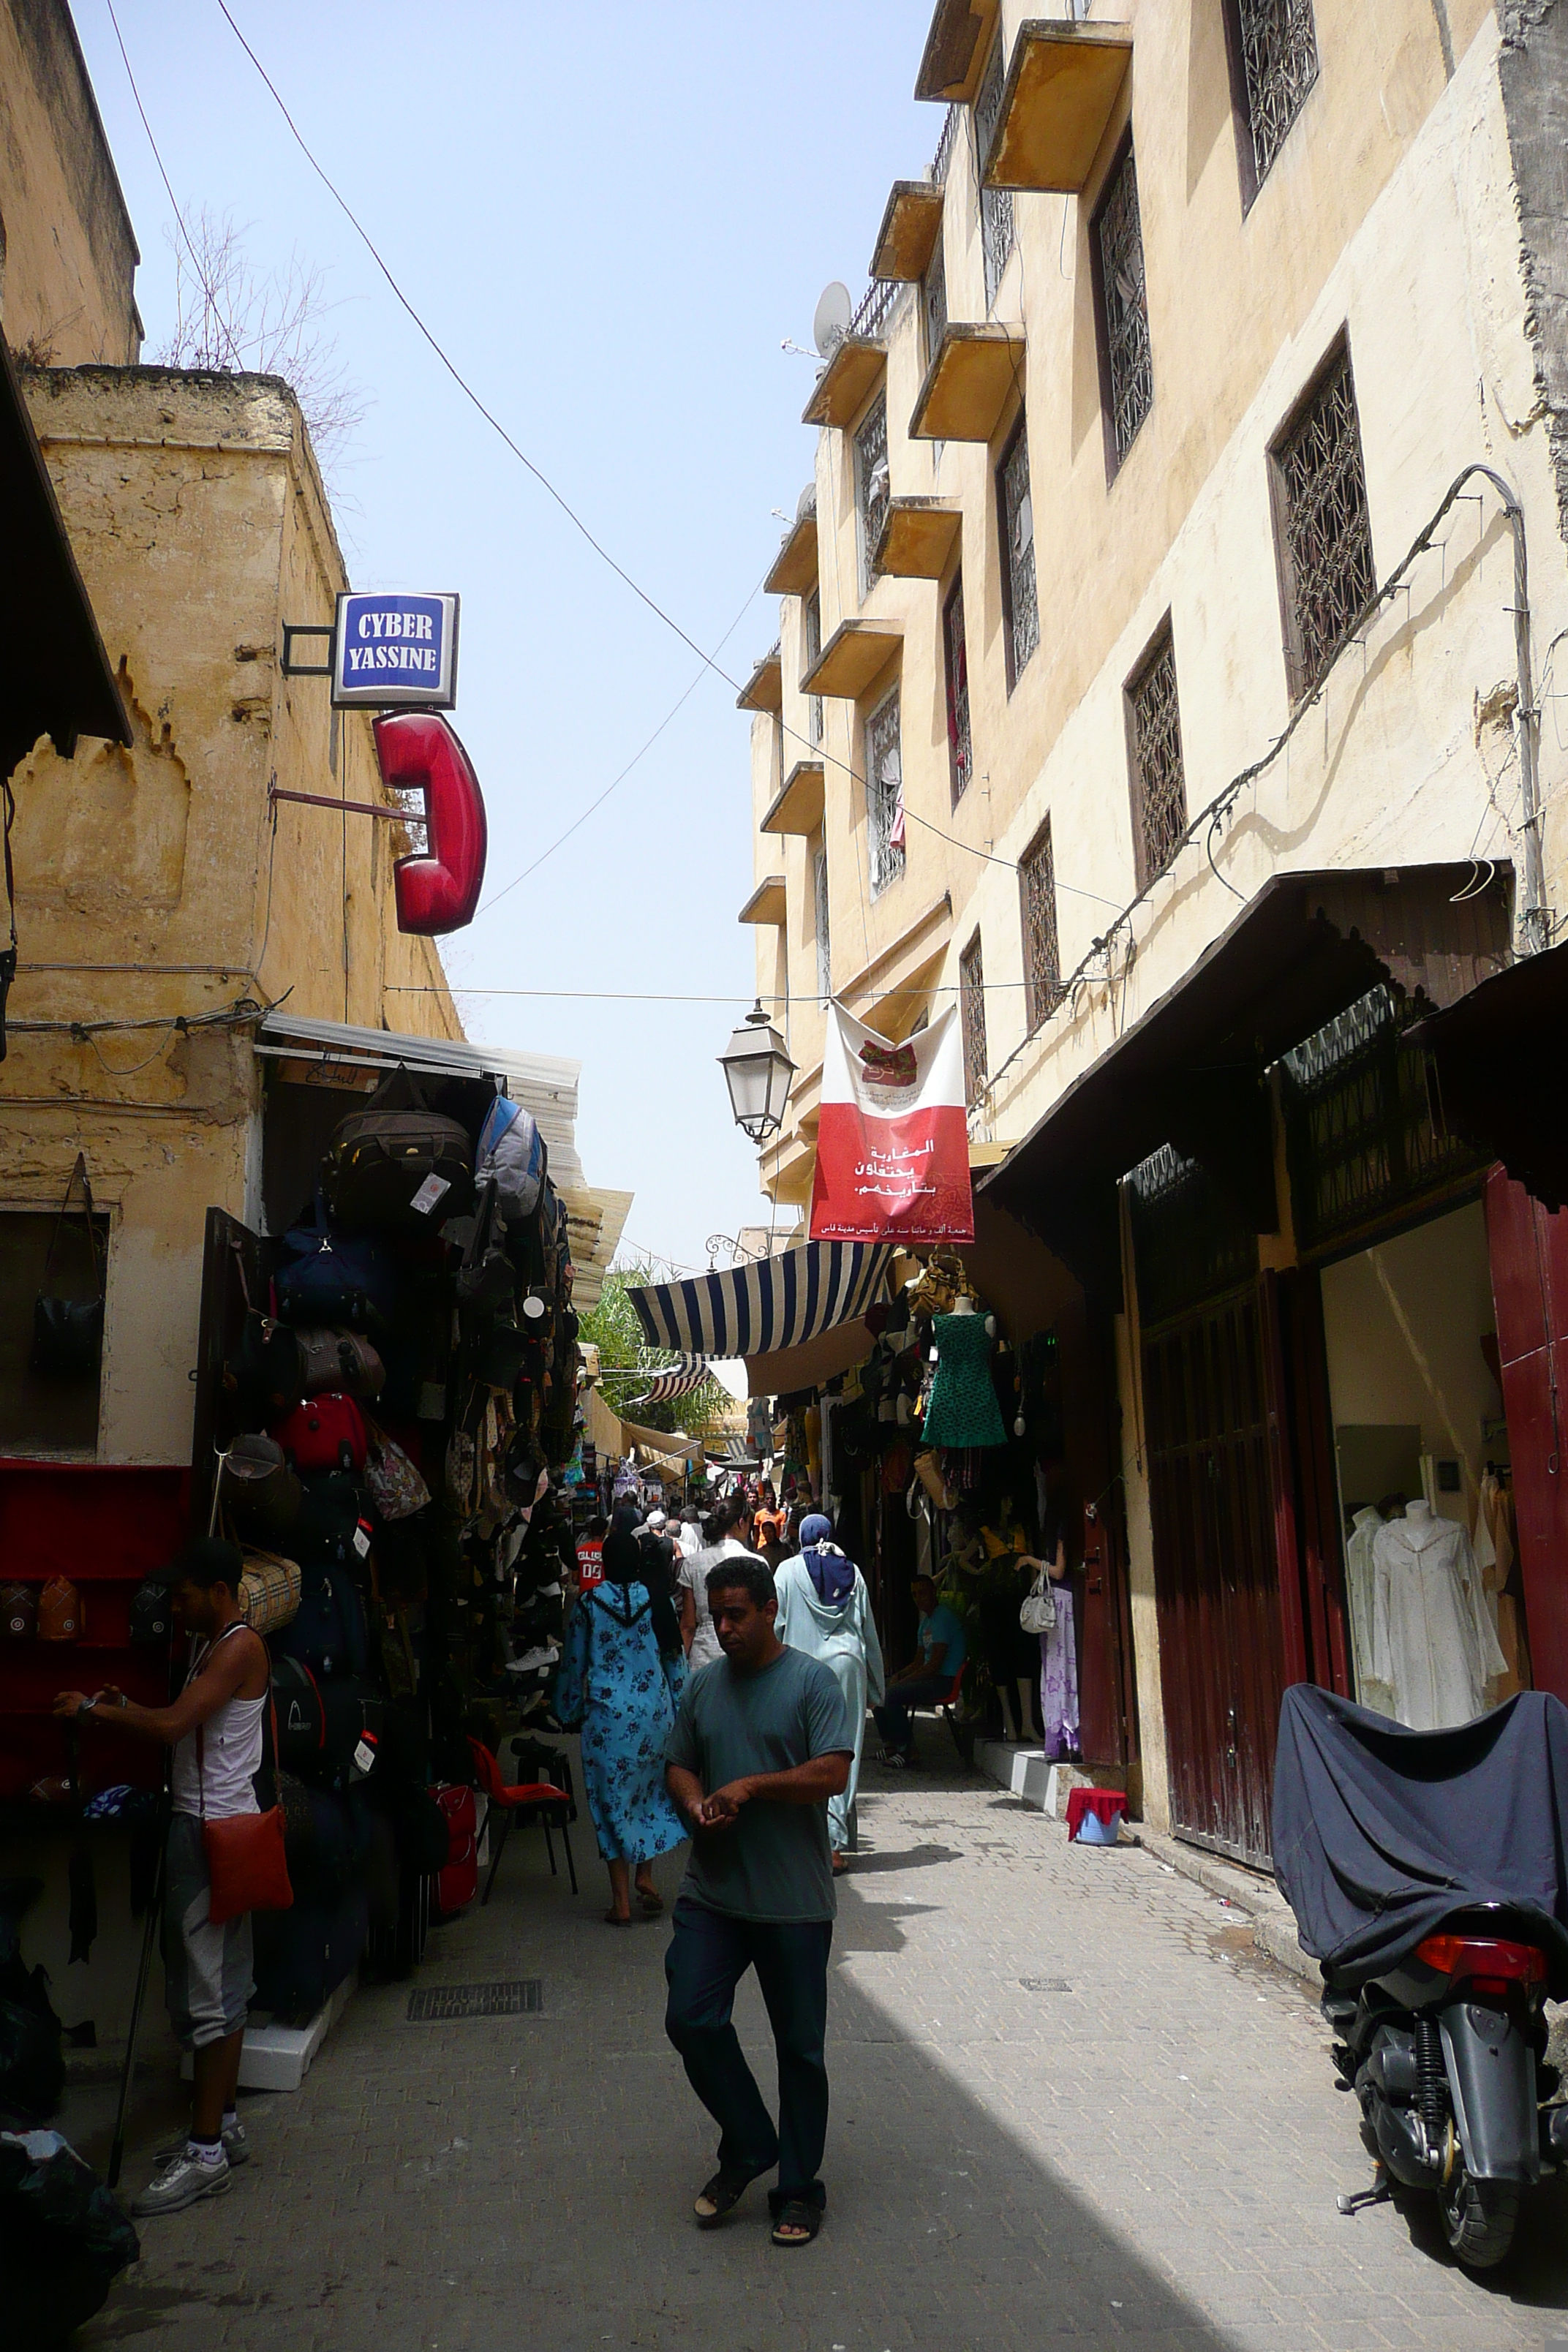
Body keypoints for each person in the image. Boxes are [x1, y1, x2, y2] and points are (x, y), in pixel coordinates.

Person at [52, 1537, 270, 2217]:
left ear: (218, 1591)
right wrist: (120, 1705)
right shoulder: (215, 1647)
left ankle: (206, 2153)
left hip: (213, 1835)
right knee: (218, 1983)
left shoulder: (236, 1646)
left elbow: (176, 1725)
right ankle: (223, 2128)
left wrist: (98, 1712)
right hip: (214, 1829)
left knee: (211, 1992)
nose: (173, 1608)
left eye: (182, 1596)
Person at [663, 1555, 853, 2250]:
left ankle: (799, 2189)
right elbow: (679, 1760)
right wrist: (693, 1804)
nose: (725, 1628)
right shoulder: (705, 1685)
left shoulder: (812, 1682)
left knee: (799, 2050)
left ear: (771, 1610)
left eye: (737, 1614)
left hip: (794, 1902)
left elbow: (832, 1772)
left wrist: (751, 1787)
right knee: (690, 2016)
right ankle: (748, 2142)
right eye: (717, 1615)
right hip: (713, 1893)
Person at [554, 1526, 687, 1925]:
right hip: (654, 1717)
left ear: (605, 1564)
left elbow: (573, 1662)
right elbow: (674, 1661)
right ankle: (645, 1876)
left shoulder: (589, 1604)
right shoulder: (659, 1600)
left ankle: (621, 1904)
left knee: (609, 1801)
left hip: (607, 1722)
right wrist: (681, 1712)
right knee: (648, 1794)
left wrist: (567, 1709)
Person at [772, 1512, 885, 1874]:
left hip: (801, 1669)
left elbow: (776, 1625)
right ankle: (834, 1845)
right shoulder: (853, 1573)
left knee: (803, 1752)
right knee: (843, 1753)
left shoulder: (787, 1571)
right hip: (848, 1665)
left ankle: (806, 1839)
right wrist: (876, 1687)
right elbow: (868, 1631)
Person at [872, 1574, 968, 1767]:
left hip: (944, 1681)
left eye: (923, 1592)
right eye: (915, 1595)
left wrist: (902, 1683)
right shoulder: (925, 1623)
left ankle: (907, 1750)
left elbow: (933, 1666)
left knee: (892, 1695)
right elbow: (918, 1661)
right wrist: (899, 1675)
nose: (919, 1598)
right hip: (932, 1678)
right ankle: (890, 1745)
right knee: (878, 1692)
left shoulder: (942, 1618)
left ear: (933, 1592)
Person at [678, 1493, 750, 1670]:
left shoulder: (693, 1564)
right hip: (745, 1655)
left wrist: (679, 1669)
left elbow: (688, 1625)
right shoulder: (755, 1563)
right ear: (742, 1523)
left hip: (703, 1657)